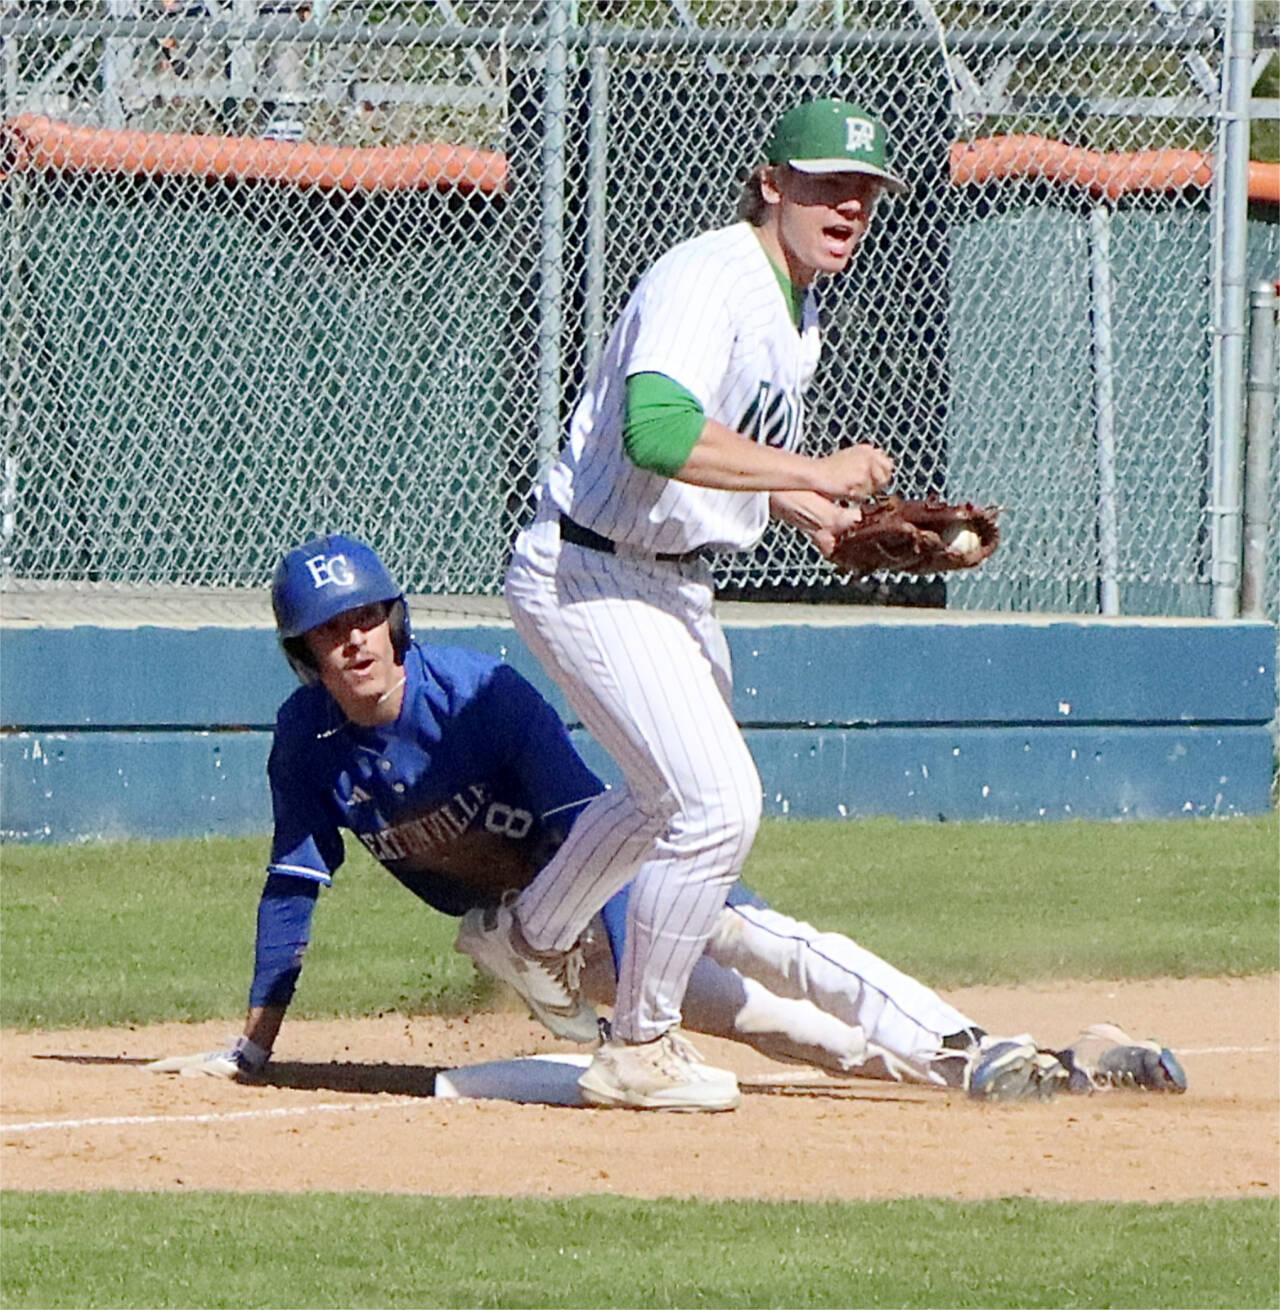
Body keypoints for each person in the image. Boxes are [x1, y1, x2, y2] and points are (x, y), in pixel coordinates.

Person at [149, 536, 1187, 1104]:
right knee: (785, 1032)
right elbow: (293, 883)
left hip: (608, 881)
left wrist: (626, 1019)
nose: (352, 641)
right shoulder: (305, 742)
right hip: (542, 939)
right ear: (305, 656)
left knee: (765, 939)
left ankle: (991, 1046)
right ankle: (1033, 1063)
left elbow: (578, 827)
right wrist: (250, 1049)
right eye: (326, 632)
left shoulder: (480, 695)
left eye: (365, 615)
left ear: (395, 618)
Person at [458, 97, 913, 1111]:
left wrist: (812, 513)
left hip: (668, 577)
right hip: (588, 568)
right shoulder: (708, 276)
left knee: (664, 796)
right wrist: (815, 464)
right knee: (713, 805)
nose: (847, 204)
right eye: (824, 182)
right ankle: (639, 1043)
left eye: (864, 190)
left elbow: (711, 446)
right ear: (770, 183)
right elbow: (656, 434)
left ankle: (526, 933)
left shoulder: (794, 305)